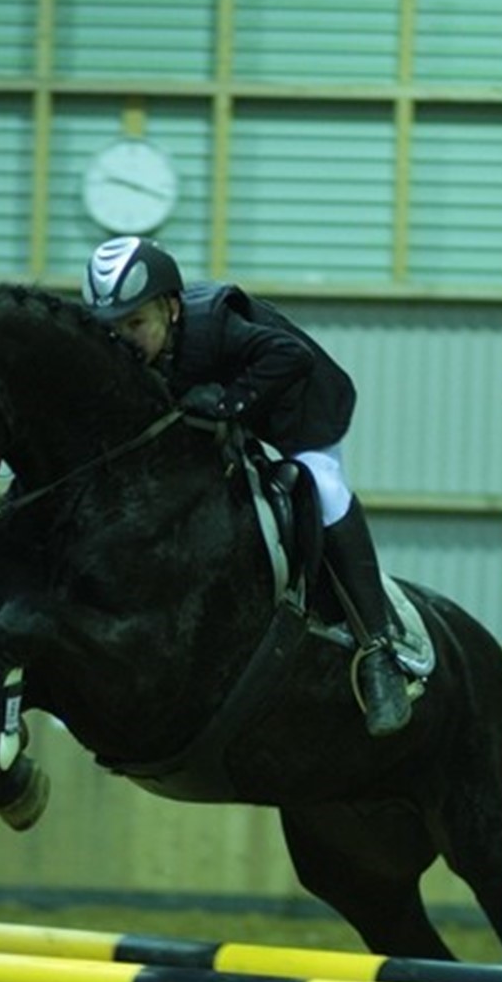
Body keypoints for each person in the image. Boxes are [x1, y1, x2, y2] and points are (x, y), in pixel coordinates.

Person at [81, 235, 411, 737]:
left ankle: (380, 653)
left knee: (324, 490)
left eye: (135, 324)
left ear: (171, 309)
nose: (123, 341)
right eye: (112, 329)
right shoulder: (136, 353)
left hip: (299, 406)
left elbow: (291, 356)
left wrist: (228, 403)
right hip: (240, 409)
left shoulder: (214, 325)